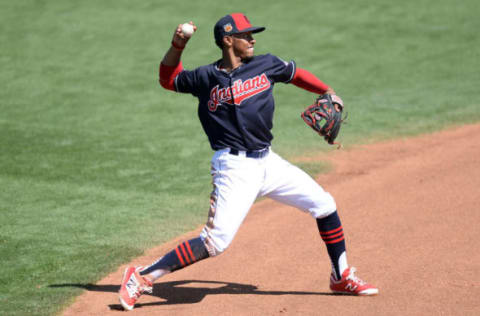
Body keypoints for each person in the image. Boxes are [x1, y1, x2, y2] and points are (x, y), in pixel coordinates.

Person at [118, 13, 378, 311]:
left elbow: (296, 74)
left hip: (269, 162)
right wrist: (178, 44)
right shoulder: (205, 77)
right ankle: (140, 277)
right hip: (234, 168)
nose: (252, 39)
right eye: (246, 35)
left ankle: (341, 275)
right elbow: (168, 79)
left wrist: (327, 92)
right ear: (228, 40)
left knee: (325, 205)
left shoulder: (266, 64)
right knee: (215, 242)